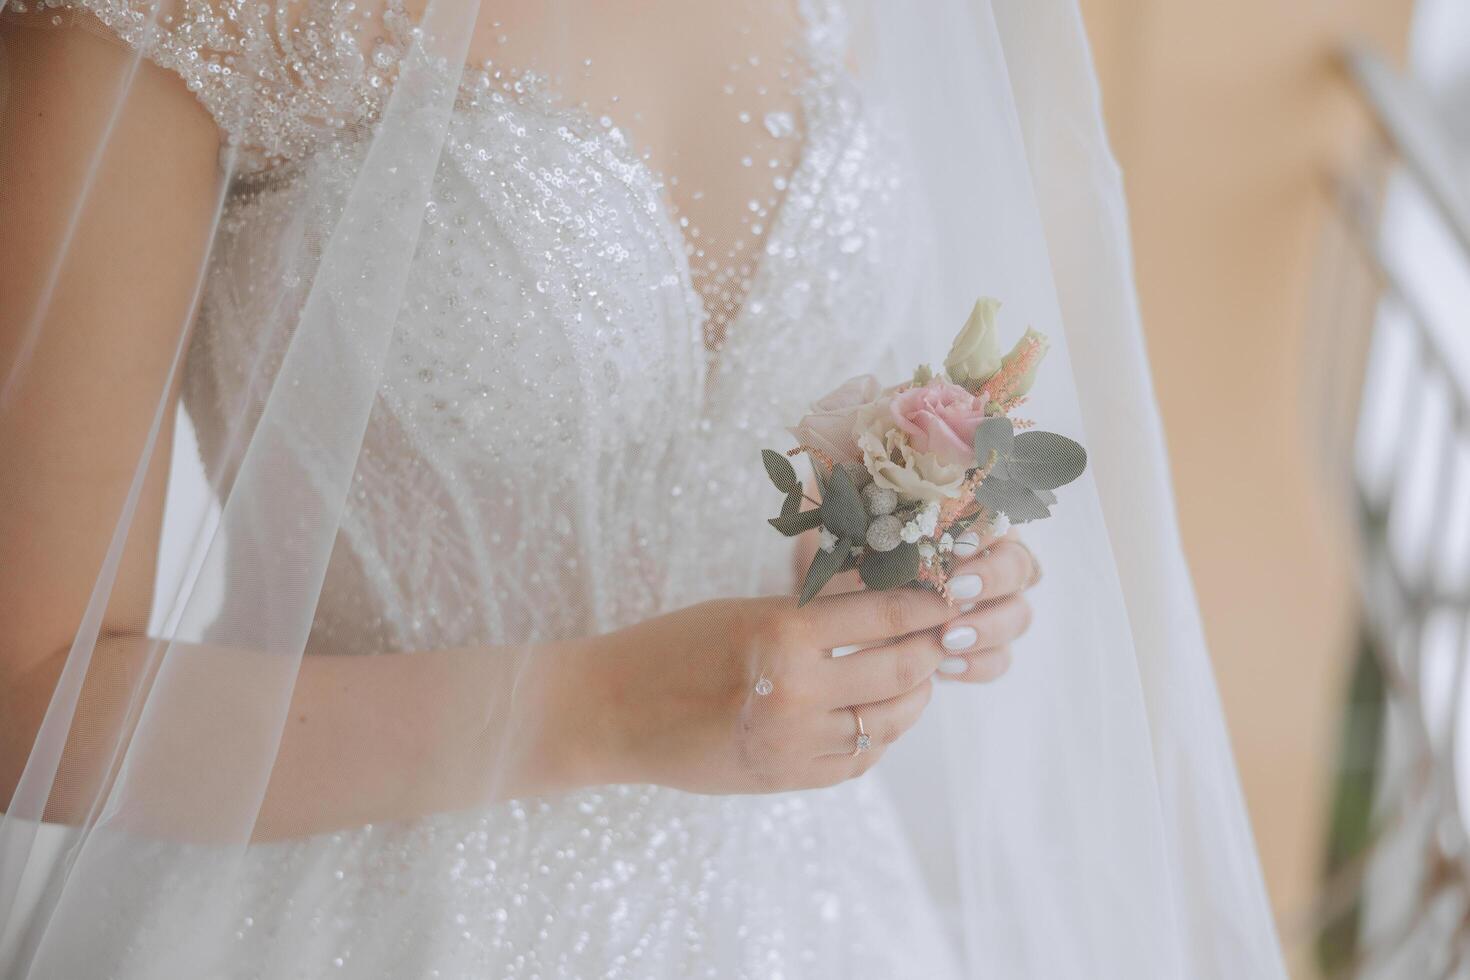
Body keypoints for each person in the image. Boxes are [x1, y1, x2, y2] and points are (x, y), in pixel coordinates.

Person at [0, 1, 1286, 976]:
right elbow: (27, 692)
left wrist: (894, 544)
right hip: (350, 917)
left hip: (804, 912)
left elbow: (732, 424)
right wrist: (606, 707)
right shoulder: (193, 19)